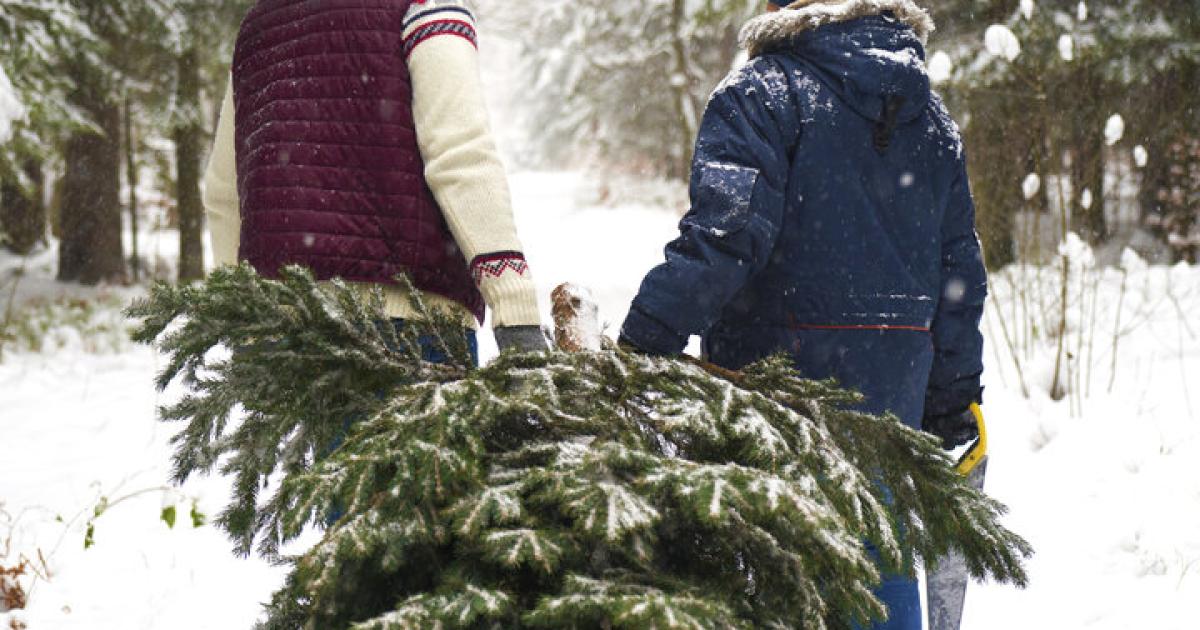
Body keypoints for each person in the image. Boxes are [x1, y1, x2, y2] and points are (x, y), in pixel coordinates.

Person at [618, 1, 988, 628]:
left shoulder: (760, 94)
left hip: (774, 420)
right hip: (889, 428)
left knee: (775, 588)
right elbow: (959, 276)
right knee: (880, 573)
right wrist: (951, 399)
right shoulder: (930, 119)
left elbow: (725, 237)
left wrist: (641, 344)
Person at [202, 0, 549, 360]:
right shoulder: (424, 4)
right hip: (408, 325)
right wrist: (514, 306)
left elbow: (223, 193)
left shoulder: (260, 25)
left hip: (285, 331)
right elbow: (460, 153)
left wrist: (244, 319)